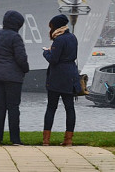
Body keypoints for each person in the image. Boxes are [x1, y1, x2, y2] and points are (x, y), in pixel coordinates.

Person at [0, 10, 29, 145]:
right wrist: (25, 69)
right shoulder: (15, 37)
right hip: (13, 77)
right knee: (13, 108)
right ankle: (15, 139)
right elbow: (21, 57)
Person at [42, 14, 80, 146]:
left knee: (51, 108)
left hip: (57, 77)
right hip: (71, 75)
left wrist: (46, 52)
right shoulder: (73, 38)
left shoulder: (58, 40)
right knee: (70, 108)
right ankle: (68, 139)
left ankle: (46, 140)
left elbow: (53, 59)